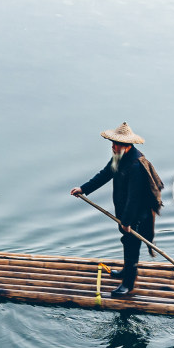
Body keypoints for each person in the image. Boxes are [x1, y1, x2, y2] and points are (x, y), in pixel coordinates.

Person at [71, 122, 164, 296]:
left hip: (137, 214)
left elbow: (134, 198)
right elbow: (104, 174)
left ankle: (128, 284)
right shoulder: (119, 157)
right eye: (112, 143)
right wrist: (83, 189)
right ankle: (126, 271)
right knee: (126, 241)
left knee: (131, 245)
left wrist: (127, 222)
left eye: (116, 144)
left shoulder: (136, 165)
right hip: (125, 211)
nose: (113, 147)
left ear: (127, 145)